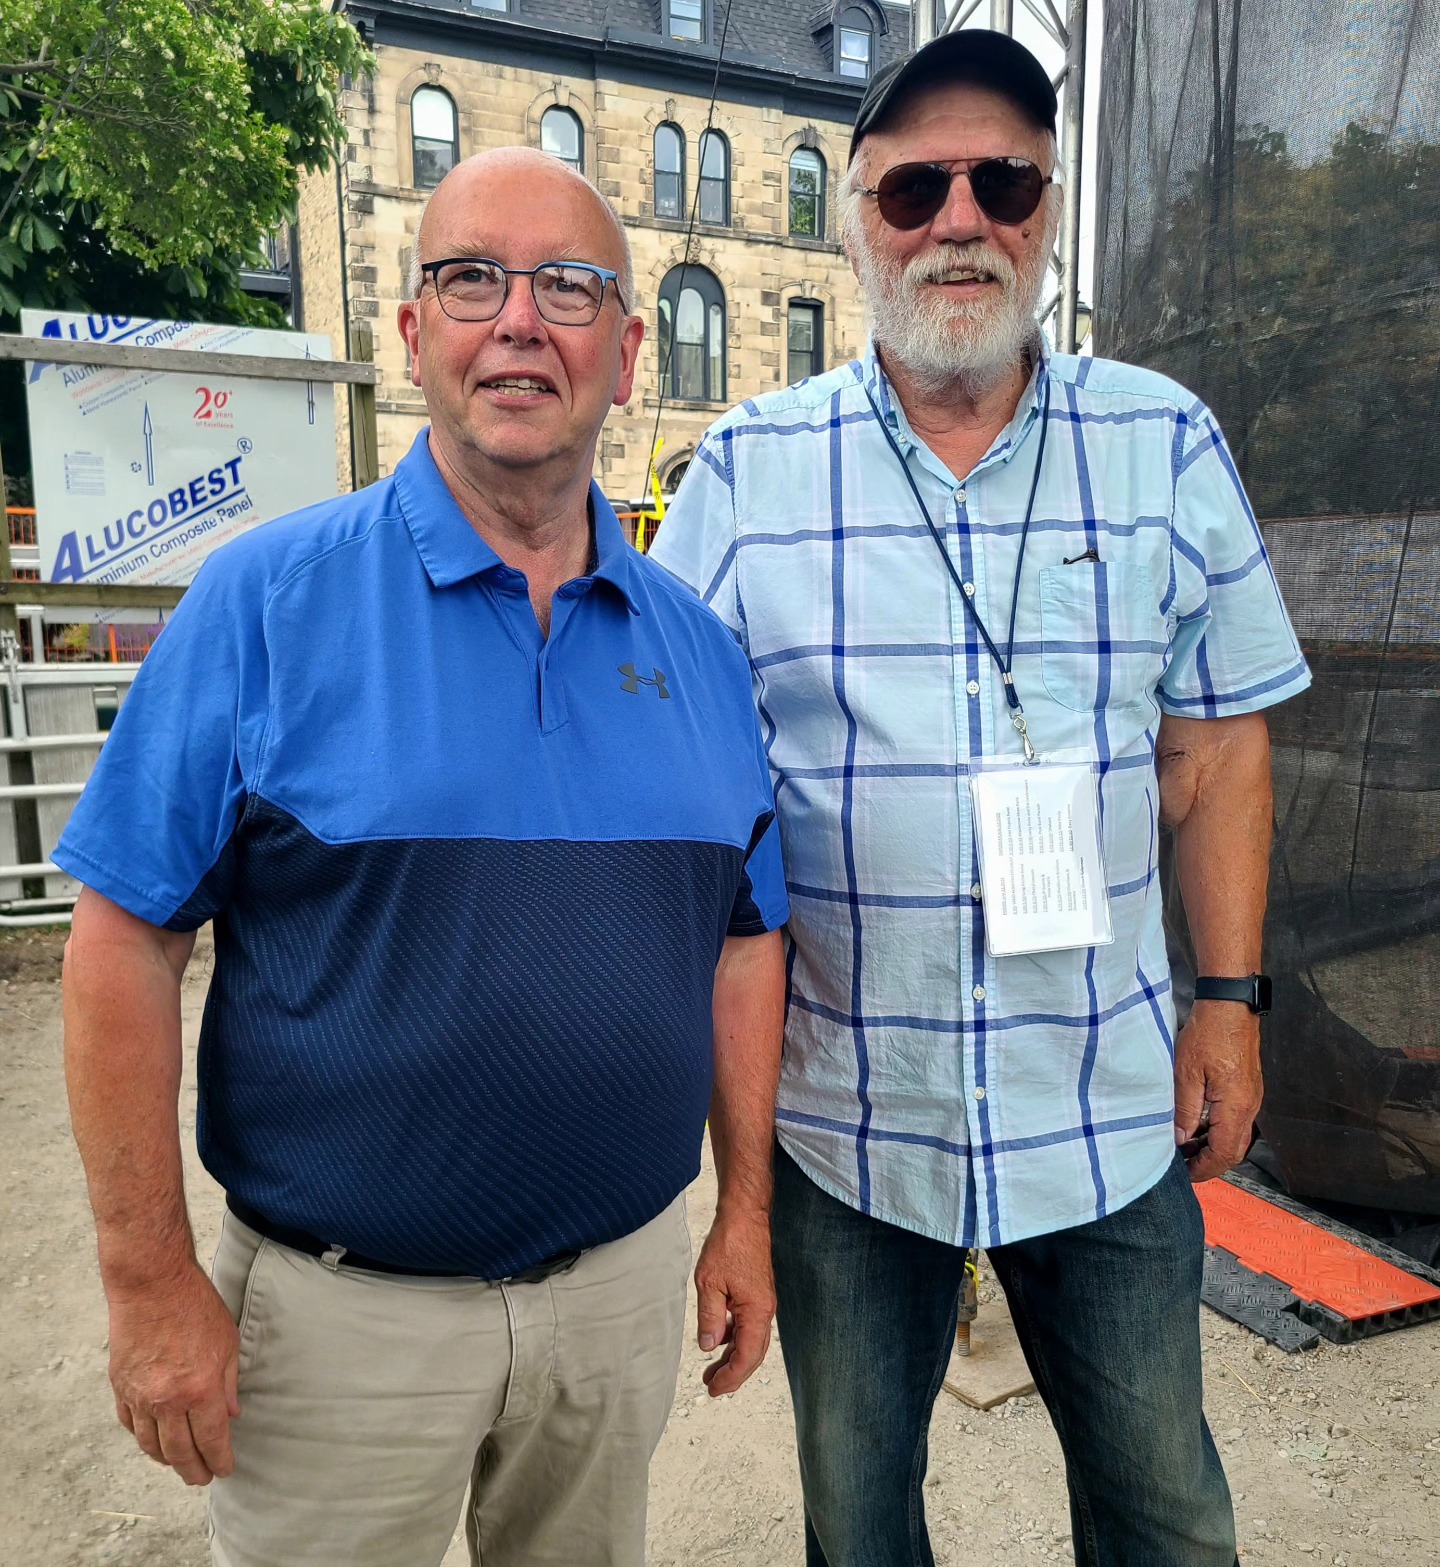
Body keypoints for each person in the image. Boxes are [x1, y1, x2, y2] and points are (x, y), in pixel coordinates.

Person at [58, 147, 787, 1567]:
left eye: (567, 287)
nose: (518, 321)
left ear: (628, 350)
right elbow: (121, 944)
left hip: (615, 1304)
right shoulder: (265, 602)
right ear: (412, 332)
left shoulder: (702, 653)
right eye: (469, 280)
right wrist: (146, 1283)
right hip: (340, 1331)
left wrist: (742, 1217)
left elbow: (745, 939)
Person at [649, 29, 1310, 1567]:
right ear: (856, 223)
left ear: (1046, 210)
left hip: (1102, 1105)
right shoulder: (749, 472)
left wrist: (1230, 1007)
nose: (960, 219)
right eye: (916, 189)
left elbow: (1217, 750)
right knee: (858, 1527)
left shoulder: (1161, 440)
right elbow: (676, 782)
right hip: (847, 1120)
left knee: (1167, 1518)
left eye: (1002, 182)